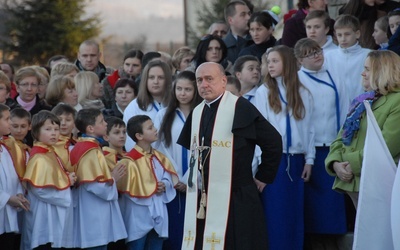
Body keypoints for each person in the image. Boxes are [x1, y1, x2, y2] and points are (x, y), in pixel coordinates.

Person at [178, 62, 282, 249]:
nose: (204, 84)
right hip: (204, 198)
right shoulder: (197, 112)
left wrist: (263, 176)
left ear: (224, 81)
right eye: (199, 80)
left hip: (237, 195)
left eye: (209, 79)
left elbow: (273, 141)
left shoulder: (240, 107)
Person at [255, 45, 315, 250]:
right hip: (274, 162)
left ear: (287, 63)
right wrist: (261, 170)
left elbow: (309, 128)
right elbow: (259, 133)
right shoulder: (263, 92)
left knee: (294, 213)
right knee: (275, 214)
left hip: (297, 160)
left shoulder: (302, 92)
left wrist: (310, 159)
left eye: (275, 61)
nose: (270, 65)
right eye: (268, 61)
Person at [325, 50, 400, 209]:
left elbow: (386, 145)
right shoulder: (362, 99)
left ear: (382, 71)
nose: (363, 73)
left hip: (378, 180)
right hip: (355, 179)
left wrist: (351, 165)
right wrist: (336, 163)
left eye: (367, 69)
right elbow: (341, 136)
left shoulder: (397, 100)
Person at [294, 38, 348, 248]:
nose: (317, 55)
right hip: (312, 149)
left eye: (317, 51)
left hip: (334, 146)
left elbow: (345, 108)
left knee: (333, 201)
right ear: (299, 60)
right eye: (310, 53)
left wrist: (344, 142)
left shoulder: (334, 75)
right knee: (314, 205)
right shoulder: (297, 81)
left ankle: (333, 241)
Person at [153, 71, 201, 250]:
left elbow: (204, 150)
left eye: (188, 89)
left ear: (196, 90)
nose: (183, 93)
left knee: (195, 230)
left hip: (196, 180)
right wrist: (175, 178)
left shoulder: (202, 113)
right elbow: (159, 150)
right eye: (179, 88)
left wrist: (189, 178)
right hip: (171, 180)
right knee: (174, 230)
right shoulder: (164, 114)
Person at [117, 115, 178, 250]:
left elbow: (168, 177)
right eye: (150, 128)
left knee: (156, 246)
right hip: (138, 215)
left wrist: (164, 184)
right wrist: (151, 187)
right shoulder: (129, 161)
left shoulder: (159, 157)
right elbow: (126, 188)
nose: (155, 130)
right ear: (139, 135)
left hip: (158, 210)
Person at [71, 108, 127, 249]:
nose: (106, 124)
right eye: (101, 122)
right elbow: (94, 185)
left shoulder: (83, 145)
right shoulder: (91, 151)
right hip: (94, 211)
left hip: (89, 207)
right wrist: (113, 178)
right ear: (90, 128)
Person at [21, 110, 76, 249]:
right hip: (44, 215)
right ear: (36, 132)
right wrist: (67, 183)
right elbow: (40, 189)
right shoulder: (40, 157)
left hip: (52, 212)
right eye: (48, 129)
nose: (54, 133)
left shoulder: (50, 152)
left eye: (56, 129)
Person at [123, 60, 172, 151]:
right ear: (145, 79)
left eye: (161, 77)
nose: (156, 82)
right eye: (151, 77)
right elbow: (131, 142)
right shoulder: (134, 107)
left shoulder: (175, 105)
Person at [0, 104, 29, 250]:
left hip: (8, 213)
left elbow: (13, 175)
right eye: (7, 119)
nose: (10, 123)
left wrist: (18, 193)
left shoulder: (5, 148)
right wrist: (8, 198)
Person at [324, 14, 371, 102]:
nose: (343, 39)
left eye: (347, 34)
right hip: (337, 106)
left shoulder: (368, 55)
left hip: (363, 105)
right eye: (339, 35)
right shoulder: (328, 56)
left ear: (357, 34)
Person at [14, 67, 52, 146]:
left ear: (38, 88)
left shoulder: (47, 111)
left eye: (33, 85)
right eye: (25, 84)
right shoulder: (7, 110)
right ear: (17, 87)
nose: (29, 89)